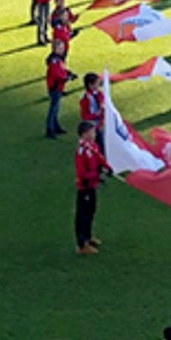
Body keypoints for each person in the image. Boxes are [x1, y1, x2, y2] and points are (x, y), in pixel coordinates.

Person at [74, 120, 109, 255]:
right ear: (84, 134)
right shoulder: (81, 150)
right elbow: (81, 173)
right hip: (85, 187)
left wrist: (107, 167)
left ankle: (88, 237)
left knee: (91, 211)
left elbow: (99, 158)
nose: (94, 134)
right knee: (83, 214)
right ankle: (81, 244)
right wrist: (97, 173)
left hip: (92, 184)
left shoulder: (91, 146)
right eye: (91, 132)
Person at [46, 39, 76, 138]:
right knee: (53, 109)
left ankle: (55, 127)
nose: (63, 50)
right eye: (60, 48)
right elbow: (57, 74)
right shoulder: (55, 60)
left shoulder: (58, 59)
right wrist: (68, 77)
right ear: (55, 49)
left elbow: (61, 70)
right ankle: (50, 129)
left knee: (55, 109)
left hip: (57, 87)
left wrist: (68, 73)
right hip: (55, 87)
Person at [78, 72, 104, 150]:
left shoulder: (98, 93)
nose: (98, 86)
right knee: (98, 146)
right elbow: (84, 116)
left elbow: (102, 100)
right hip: (92, 126)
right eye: (97, 84)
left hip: (99, 124)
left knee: (102, 145)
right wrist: (96, 114)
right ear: (90, 85)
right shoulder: (85, 98)